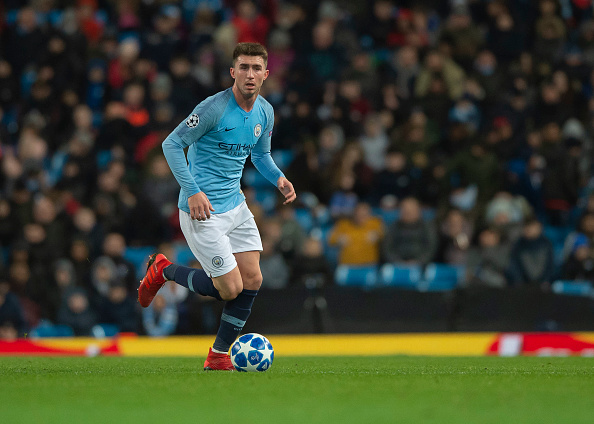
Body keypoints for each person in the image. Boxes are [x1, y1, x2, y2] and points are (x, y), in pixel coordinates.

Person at [137, 42, 296, 371]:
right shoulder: (213, 108)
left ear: (266, 75)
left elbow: (260, 155)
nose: (249, 74)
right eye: (243, 68)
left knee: (252, 279)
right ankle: (163, 270)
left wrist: (279, 179)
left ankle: (218, 356)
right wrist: (192, 190)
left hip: (235, 206)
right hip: (202, 211)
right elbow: (171, 143)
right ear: (232, 72)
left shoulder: (265, 111)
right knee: (230, 289)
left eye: (256, 69)